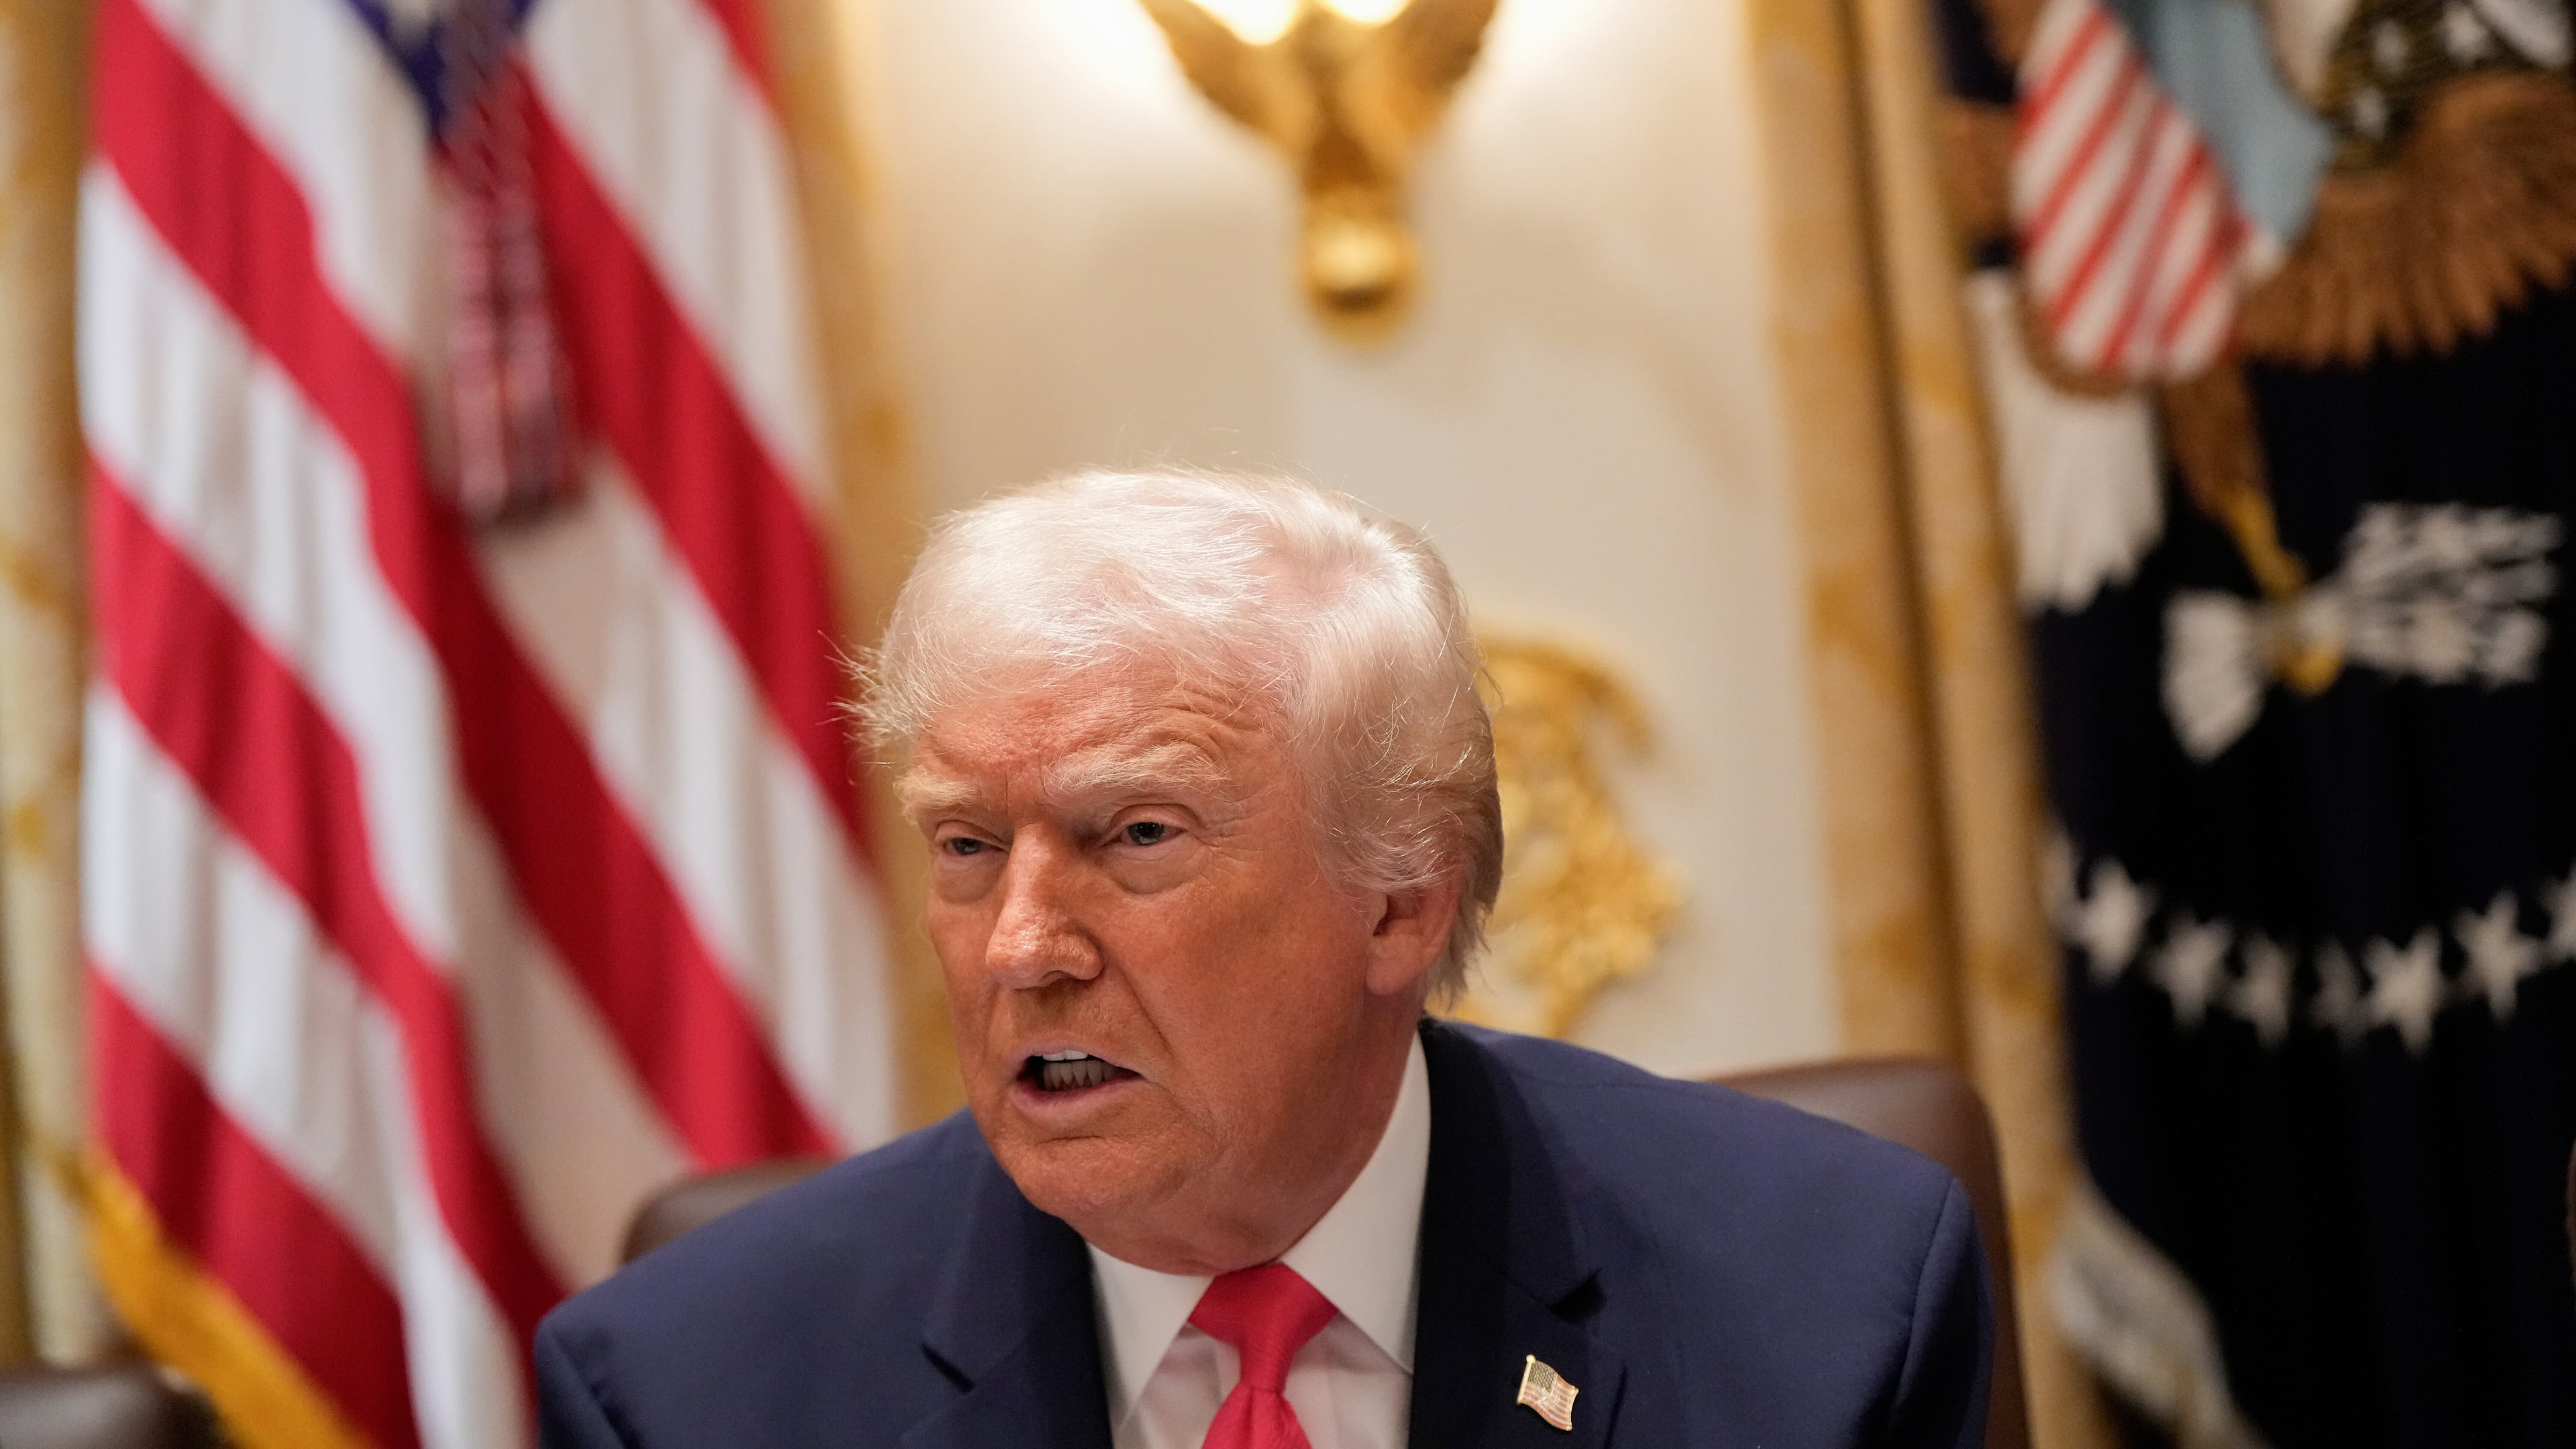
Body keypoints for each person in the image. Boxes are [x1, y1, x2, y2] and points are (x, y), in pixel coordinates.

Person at [533, 469, 1993, 1448]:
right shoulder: (680, 1393)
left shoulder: (1828, 1306)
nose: (1021, 950)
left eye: (1136, 835)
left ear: (1401, 901)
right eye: (968, 846)